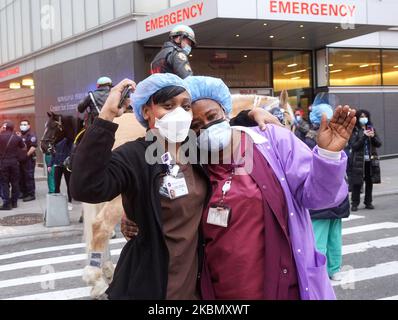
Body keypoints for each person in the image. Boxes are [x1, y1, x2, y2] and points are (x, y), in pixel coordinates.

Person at [120, 75, 356, 300]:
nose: (207, 127)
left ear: (225, 111)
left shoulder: (271, 140)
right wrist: (133, 213)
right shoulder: (191, 162)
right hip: (218, 290)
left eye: (212, 116)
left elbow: (318, 198)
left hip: (282, 285)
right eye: (196, 125)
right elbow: (166, 198)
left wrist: (328, 155)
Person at [70, 74, 282, 300]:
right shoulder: (135, 156)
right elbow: (86, 187)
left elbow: (217, 125)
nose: (179, 113)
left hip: (195, 289)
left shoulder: (196, 151)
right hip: (150, 287)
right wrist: (106, 116)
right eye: (168, 106)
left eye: (186, 106)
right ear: (146, 111)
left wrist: (250, 114)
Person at [303, 103, 350, 282]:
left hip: (323, 200)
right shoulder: (336, 136)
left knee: (321, 239)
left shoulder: (306, 138)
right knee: (331, 238)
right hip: (335, 197)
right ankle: (332, 269)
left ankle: (324, 271)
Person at [349, 110, 382, 212]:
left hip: (370, 160)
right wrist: (363, 137)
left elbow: (379, 144)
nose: (364, 118)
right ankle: (354, 203)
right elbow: (354, 146)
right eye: (361, 116)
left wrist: (372, 137)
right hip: (359, 160)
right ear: (358, 118)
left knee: (369, 181)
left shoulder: (371, 128)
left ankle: (368, 202)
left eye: (365, 116)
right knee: (357, 182)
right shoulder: (355, 130)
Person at [0, 121, 26, 210]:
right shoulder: (17, 137)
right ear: (13, 128)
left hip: (3, 163)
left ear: (5, 128)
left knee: (4, 183)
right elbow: (24, 147)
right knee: (15, 183)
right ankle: (14, 202)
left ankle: (6, 204)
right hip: (14, 163)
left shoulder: (0, 136)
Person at [48, 138, 73, 209]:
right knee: (56, 185)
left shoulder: (68, 140)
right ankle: (57, 201)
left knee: (68, 184)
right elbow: (53, 154)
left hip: (66, 165)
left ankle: (70, 202)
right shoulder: (55, 141)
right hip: (57, 165)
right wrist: (50, 164)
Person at [18, 120, 37, 202]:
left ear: (29, 126)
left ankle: (31, 194)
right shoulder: (20, 135)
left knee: (29, 176)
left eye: (25, 124)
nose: (23, 125)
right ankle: (24, 192)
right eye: (21, 124)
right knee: (21, 176)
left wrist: (26, 156)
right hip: (21, 160)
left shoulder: (31, 135)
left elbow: (33, 147)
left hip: (28, 159)